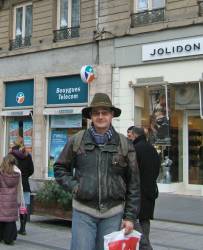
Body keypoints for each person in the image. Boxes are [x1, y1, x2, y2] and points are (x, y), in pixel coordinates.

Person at [54, 93, 140, 250]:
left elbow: (134, 184)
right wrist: (75, 187)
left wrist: (130, 217)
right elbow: (59, 168)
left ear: (111, 115)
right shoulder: (77, 140)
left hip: (113, 213)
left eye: (105, 112)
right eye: (96, 113)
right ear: (91, 116)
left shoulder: (124, 144)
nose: (100, 117)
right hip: (83, 211)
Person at [127, 126, 160, 249]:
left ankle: (145, 246)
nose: (128, 137)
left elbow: (131, 171)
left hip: (137, 190)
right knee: (145, 219)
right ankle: (143, 245)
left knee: (133, 219)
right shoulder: (152, 149)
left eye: (129, 134)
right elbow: (157, 169)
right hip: (150, 190)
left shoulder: (134, 149)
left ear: (135, 135)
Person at [0, 154, 24, 245]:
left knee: (1, 218)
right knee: (10, 220)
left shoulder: (1, 174)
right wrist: (19, 201)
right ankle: (9, 239)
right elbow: (19, 188)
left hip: (2, 200)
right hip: (12, 200)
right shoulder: (17, 174)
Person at [11, 142, 34, 235]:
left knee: (12, 206)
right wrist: (24, 176)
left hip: (14, 183)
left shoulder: (12, 155)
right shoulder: (28, 156)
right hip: (25, 184)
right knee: (23, 207)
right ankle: (23, 228)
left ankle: (11, 228)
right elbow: (31, 170)